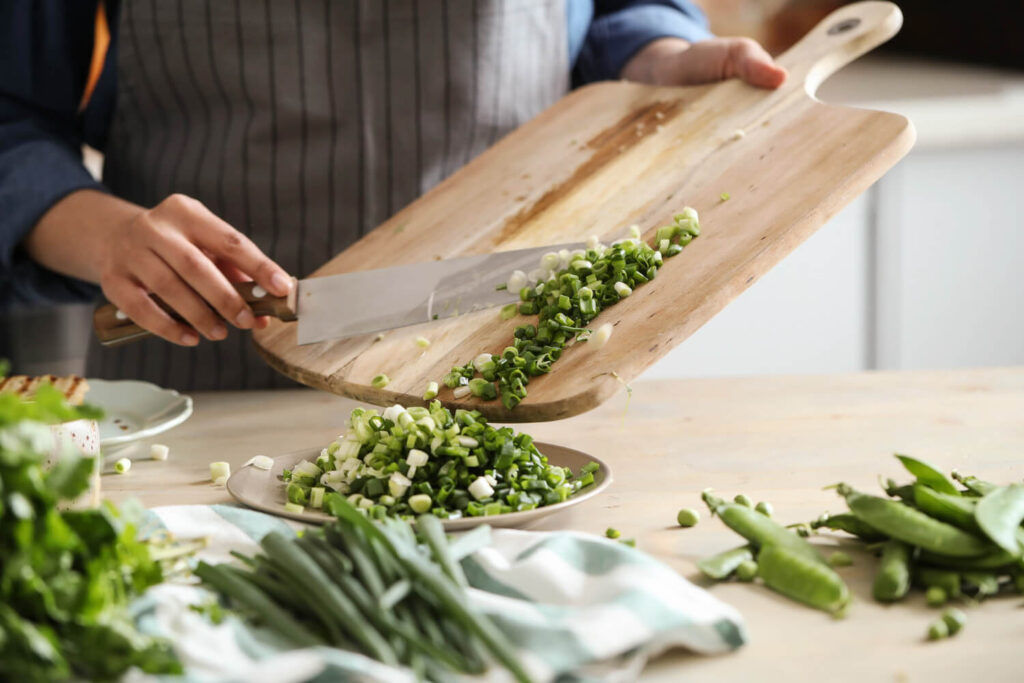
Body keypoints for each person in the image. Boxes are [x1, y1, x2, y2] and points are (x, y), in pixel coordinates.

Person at [0, 0, 786, 391]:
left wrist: (657, 55)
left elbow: (617, 12)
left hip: (511, 364)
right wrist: (108, 237)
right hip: (212, 381)